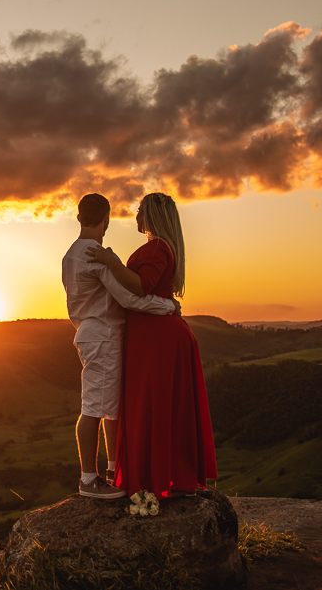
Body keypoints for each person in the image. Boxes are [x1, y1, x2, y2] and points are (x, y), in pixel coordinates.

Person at [87, 192, 218, 498]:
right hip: (154, 336)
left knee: (152, 406)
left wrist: (110, 261)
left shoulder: (157, 247)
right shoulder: (159, 247)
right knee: (158, 408)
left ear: (152, 217)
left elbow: (141, 285)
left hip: (157, 340)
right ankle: (160, 477)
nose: (136, 217)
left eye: (140, 211)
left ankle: (155, 479)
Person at [63, 193, 181, 500]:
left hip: (89, 331)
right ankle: (89, 480)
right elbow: (129, 297)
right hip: (103, 334)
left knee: (110, 408)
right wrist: (167, 305)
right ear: (106, 219)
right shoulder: (95, 253)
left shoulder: (69, 256)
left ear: (78, 218)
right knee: (94, 408)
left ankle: (115, 471)